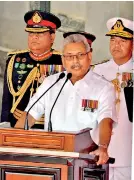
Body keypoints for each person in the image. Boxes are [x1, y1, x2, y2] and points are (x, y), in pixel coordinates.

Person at [15, 33, 117, 166]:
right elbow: (30, 115)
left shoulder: (104, 87)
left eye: (80, 55)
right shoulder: (51, 82)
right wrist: (13, 141)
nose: (75, 61)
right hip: (52, 159)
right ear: (63, 60)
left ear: (89, 56)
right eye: (69, 56)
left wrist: (103, 147)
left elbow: (106, 120)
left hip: (86, 161)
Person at [1, 10, 63, 128]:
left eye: (40, 34)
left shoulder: (62, 60)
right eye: (31, 33)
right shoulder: (15, 60)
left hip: (50, 124)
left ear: (52, 36)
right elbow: (7, 98)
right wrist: (5, 123)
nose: (34, 37)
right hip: (18, 122)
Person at [92, 17, 133, 180]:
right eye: (113, 40)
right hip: (98, 150)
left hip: (128, 150)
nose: (116, 45)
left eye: (122, 41)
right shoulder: (97, 71)